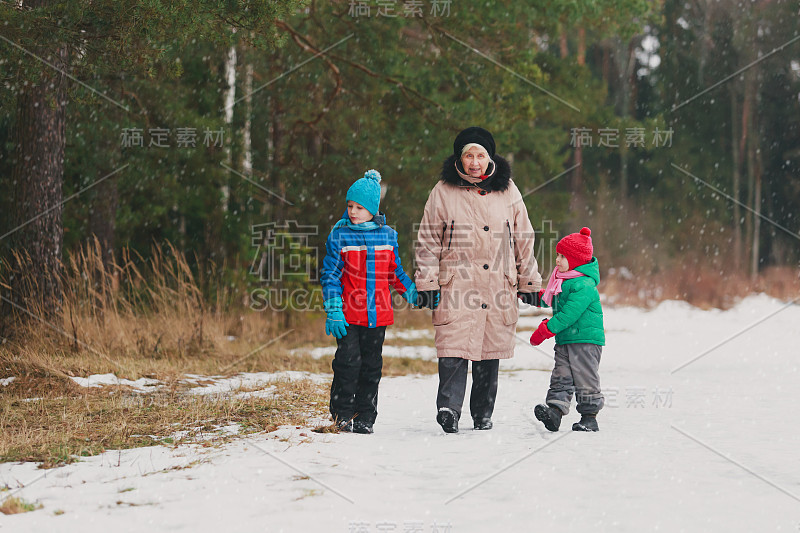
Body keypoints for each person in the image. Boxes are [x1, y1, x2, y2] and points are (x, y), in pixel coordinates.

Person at [415, 127, 542, 433]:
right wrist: (427, 281)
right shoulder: (443, 191)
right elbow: (428, 240)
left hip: (497, 283)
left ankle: (482, 414)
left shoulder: (507, 190)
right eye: (469, 155)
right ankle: (449, 409)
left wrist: (529, 281)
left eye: (480, 155)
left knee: (488, 352)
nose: (475, 162)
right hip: (456, 283)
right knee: (453, 349)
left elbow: (523, 237)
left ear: (490, 158)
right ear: (459, 158)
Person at [320, 169, 418, 434]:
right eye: (350, 205)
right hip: (348, 316)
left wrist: (412, 292)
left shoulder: (388, 236)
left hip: (378, 315)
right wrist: (333, 310)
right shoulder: (340, 236)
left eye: (360, 207)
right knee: (348, 363)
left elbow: (394, 272)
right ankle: (342, 414)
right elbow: (330, 275)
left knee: (371, 367)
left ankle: (365, 416)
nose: (353, 211)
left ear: (373, 209)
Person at [530, 227, 605, 432]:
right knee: (561, 375)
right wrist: (533, 296)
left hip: (585, 340)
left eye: (563, 256)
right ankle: (555, 411)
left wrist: (546, 330)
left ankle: (589, 416)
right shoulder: (564, 280)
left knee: (584, 377)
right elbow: (554, 298)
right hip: (566, 340)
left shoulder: (584, 285)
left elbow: (569, 314)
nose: (558, 260)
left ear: (577, 260)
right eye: (557, 255)